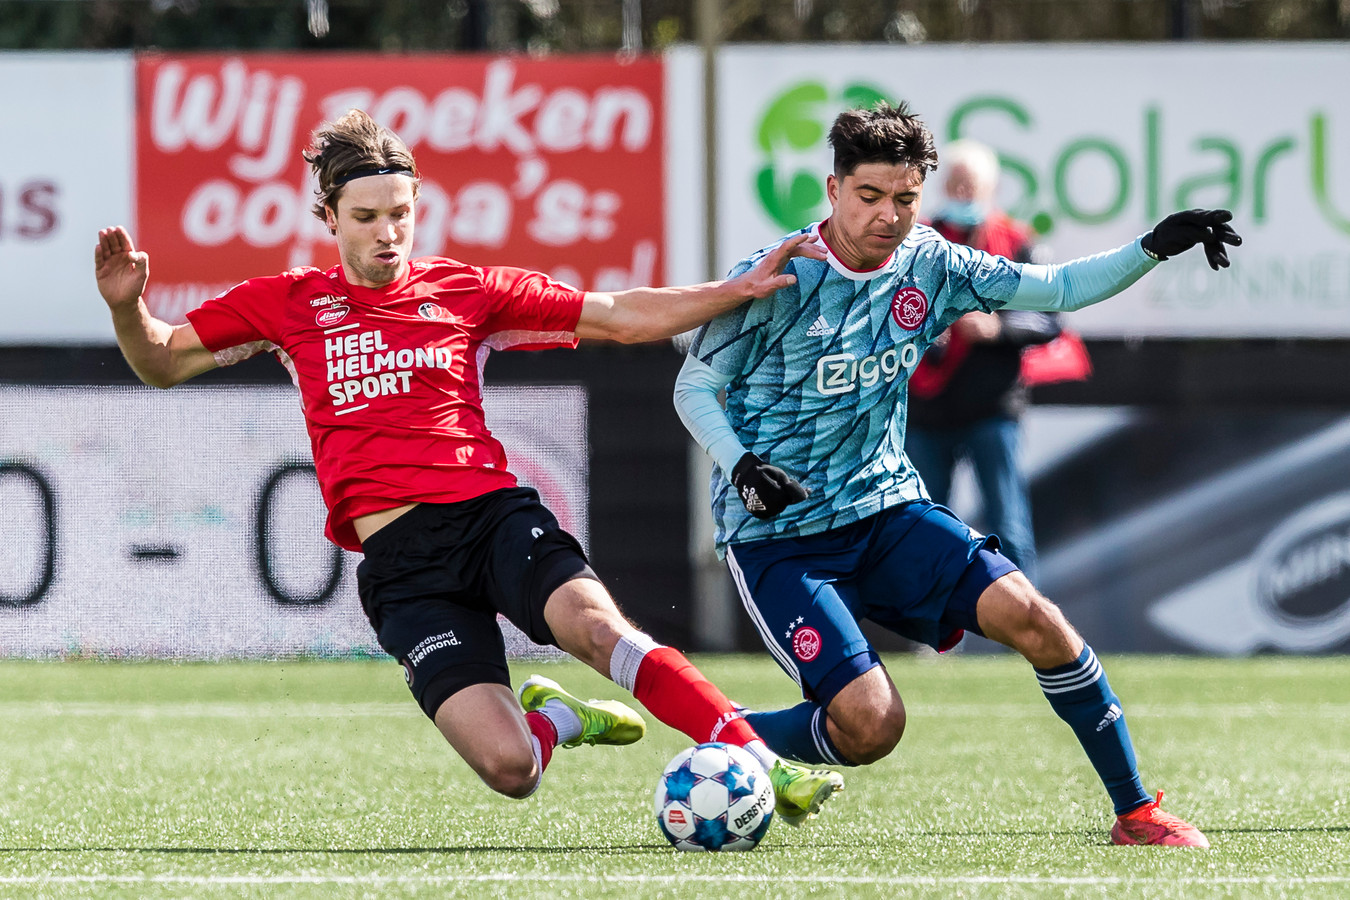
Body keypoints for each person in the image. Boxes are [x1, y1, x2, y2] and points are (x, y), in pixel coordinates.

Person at [94, 108, 843, 823]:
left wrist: (732, 292)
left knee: (597, 630)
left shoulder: (465, 292)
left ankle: (766, 764)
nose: (388, 232)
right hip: (404, 569)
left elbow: (616, 316)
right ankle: (558, 719)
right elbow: (162, 361)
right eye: (366, 217)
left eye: (400, 213)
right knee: (511, 770)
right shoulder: (286, 304)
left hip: (492, 521)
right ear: (329, 218)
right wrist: (128, 309)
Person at [674, 102, 1240, 847]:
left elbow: (1059, 289)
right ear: (833, 189)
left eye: (905, 198)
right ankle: (724, 737)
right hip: (780, 538)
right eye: (869, 196)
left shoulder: (932, 262)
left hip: (885, 509)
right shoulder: (775, 275)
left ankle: (1135, 813)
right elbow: (694, 388)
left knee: (1037, 620)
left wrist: (1151, 248)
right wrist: (743, 465)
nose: (888, 215)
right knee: (872, 726)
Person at [906, 138, 1063, 581]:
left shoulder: (1016, 241)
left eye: (969, 185)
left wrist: (997, 329)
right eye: (953, 184)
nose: (961, 193)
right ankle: (926, 622)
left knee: (1009, 526)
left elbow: (1049, 319)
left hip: (993, 408)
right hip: (926, 409)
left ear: (989, 189)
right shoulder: (920, 241)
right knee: (922, 527)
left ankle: (1027, 617)